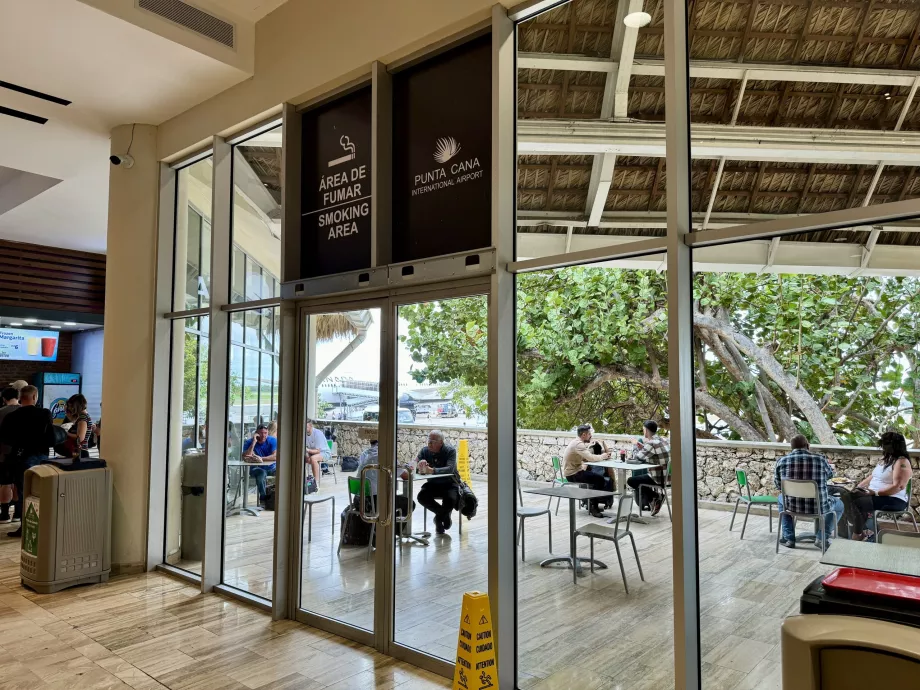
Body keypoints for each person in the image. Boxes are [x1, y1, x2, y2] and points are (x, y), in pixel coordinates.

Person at [774, 435, 844, 549]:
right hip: (819, 507)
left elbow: (778, 485)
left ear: (791, 448)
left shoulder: (781, 461)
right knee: (840, 505)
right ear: (808, 446)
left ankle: (788, 538)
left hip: (792, 506)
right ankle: (822, 537)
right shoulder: (820, 459)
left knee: (781, 499)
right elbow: (830, 475)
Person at [0, 386, 52, 538]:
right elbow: (49, 435)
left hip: (21, 457)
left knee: (25, 493)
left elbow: (5, 438)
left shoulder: (12, 417)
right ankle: (45, 526)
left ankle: (26, 527)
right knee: (44, 492)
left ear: (21, 397)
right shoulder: (44, 413)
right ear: (35, 396)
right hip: (41, 457)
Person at [842, 431, 912, 541]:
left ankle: (858, 534)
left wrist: (875, 493)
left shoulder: (902, 462)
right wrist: (859, 487)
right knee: (845, 497)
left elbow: (898, 486)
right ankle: (864, 529)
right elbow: (873, 476)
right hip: (876, 495)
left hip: (894, 499)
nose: (883, 447)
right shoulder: (885, 459)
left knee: (858, 504)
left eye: (885, 444)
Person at [354, 439, 413, 527]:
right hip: (373, 503)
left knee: (390, 498)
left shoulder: (365, 454)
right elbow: (406, 476)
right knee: (410, 504)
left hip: (358, 500)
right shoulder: (387, 455)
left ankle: (383, 529)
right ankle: (391, 531)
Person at [415, 430, 461, 534]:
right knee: (421, 496)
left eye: (433, 441)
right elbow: (414, 465)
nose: (429, 443)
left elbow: (450, 469)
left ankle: (438, 520)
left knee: (451, 499)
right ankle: (443, 515)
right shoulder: (424, 451)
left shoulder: (450, 451)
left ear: (441, 442)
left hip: (450, 483)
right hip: (433, 484)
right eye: (428, 441)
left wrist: (432, 470)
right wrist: (420, 465)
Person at [562, 424, 611, 518]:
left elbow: (585, 458)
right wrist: (603, 456)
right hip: (573, 474)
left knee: (596, 478)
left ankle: (591, 503)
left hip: (575, 471)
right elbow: (591, 458)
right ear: (584, 435)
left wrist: (595, 458)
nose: (591, 436)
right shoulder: (578, 444)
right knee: (599, 479)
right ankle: (594, 507)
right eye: (589, 434)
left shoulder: (576, 442)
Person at [627, 420, 671, 515]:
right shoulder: (663, 439)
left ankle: (656, 496)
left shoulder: (651, 443)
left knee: (631, 480)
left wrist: (635, 445)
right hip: (668, 477)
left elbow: (637, 457)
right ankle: (656, 498)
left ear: (646, 431)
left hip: (658, 479)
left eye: (643, 430)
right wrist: (641, 446)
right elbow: (650, 451)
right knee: (640, 479)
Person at [243, 424, 277, 507]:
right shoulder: (249, 442)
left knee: (282, 472)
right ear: (256, 433)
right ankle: (263, 498)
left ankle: (277, 497)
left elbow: (275, 456)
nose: (263, 435)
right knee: (261, 473)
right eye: (261, 433)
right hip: (256, 469)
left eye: (265, 433)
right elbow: (246, 456)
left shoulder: (272, 440)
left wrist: (260, 458)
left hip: (272, 468)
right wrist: (254, 442)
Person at [0, 388, 20, 523]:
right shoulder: (25, 411)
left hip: (4, 453)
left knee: (5, 483)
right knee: (18, 483)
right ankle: (18, 514)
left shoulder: (1, 412)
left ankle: (5, 514)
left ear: (3, 399)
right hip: (23, 453)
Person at [64, 394, 92, 458]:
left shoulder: (82, 418)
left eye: (71, 406)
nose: (70, 408)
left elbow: (80, 438)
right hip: (80, 452)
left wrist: (66, 433)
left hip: (80, 453)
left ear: (76, 405)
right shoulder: (83, 416)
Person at [304, 421, 330, 489]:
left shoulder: (317, 433)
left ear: (311, 425)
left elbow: (318, 451)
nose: (304, 428)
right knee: (302, 458)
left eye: (306, 427)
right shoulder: (304, 434)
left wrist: (307, 450)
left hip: (325, 453)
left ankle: (316, 483)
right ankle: (305, 480)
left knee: (313, 459)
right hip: (313, 453)